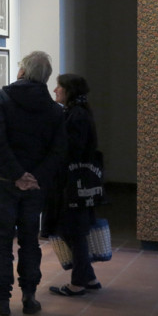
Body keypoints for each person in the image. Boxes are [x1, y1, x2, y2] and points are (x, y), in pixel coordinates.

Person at [0, 51, 66, 316]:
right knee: (30, 241)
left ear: (21, 72)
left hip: (4, 180)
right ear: (46, 77)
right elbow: (58, 149)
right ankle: (29, 297)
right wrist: (34, 176)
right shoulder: (54, 109)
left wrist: (17, 174)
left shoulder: (3, 98)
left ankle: (0, 299)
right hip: (35, 186)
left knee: (2, 241)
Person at [49, 74, 102, 296]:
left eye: (59, 87)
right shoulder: (78, 112)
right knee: (74, 230)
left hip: (73, 184)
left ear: (69, 90)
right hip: (77, 183)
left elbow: (72, 149)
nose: (55, 90)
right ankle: (87, 277)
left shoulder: (76, 115)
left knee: (73, 231)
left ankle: (78, 282)